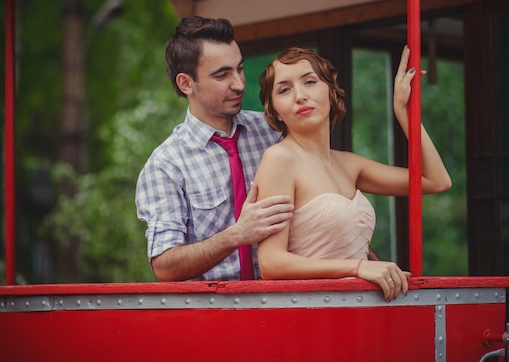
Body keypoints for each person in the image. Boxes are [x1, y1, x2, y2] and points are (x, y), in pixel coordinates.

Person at [254, 46, 452, 301]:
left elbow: (436, 181)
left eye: (310, 82)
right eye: (284, 89)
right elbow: (270, 263)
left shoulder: (349, 164)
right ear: (274, 110)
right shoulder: (279, 159)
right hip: (308, 310)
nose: (300, 96)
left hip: (358, 308)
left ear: (330, 90)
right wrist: (359, 268)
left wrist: (403, 112)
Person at [135, 16, 294, 282]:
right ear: (186, 83)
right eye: (222, 75)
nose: (240, 84)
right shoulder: (166, 165)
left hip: (287, 307)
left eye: (239, 69)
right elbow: (165, 265)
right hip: (216, 316)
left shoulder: (274, 132)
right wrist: (238, 234)